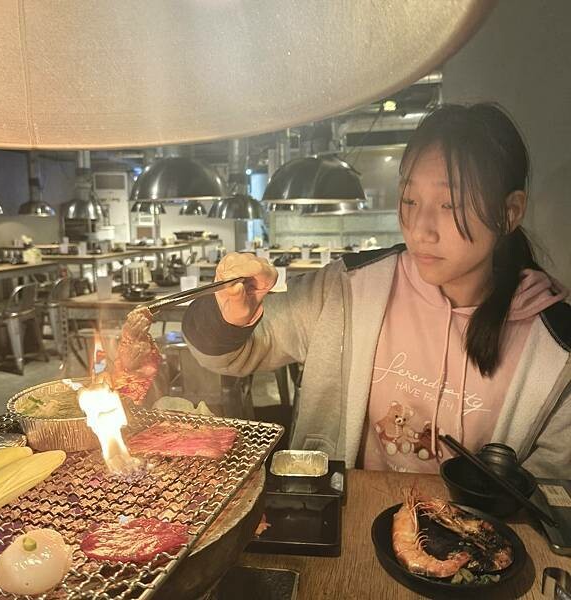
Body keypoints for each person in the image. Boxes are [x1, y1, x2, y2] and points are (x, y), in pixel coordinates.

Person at [182, 103, 570, 478]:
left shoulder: (556, 349)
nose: (420, 229)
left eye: (450, 205)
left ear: (509, 212)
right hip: (343, 519)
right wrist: (230, 314)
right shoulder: (349, 289)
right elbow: (229, 357)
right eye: (410, 200)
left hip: (470, 526)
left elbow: (551, 496)